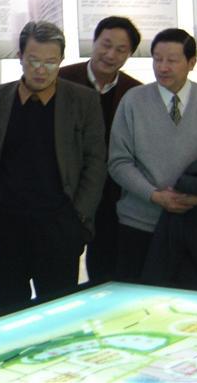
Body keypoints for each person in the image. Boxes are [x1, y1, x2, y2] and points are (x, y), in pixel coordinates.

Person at [0, 21, 106, 311]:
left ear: (61, 60)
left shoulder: (82, 100)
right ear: (20, 57)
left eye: (51, 62)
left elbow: (96, 162)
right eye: (33, 60)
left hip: (59, 224)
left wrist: (77, 219)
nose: (41, 70)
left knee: (57, 311)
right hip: (4, 224)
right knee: (8, 310)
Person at [109, 28, 197, 287]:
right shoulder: (133, 100)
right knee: (139, 301)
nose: (163, 67)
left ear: (192, 63)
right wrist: (155, 195)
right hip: (141, 224)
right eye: (157, 59)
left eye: (172, 60)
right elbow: (118, 162)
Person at [58, 16, 141, 283]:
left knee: (106, 269)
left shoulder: (134, 92)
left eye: (121, 49)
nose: (111, 55)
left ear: (129, 54)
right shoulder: (60, 79)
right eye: (106, 45)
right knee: (60, 272)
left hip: (111, 193)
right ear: (93, 42)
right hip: (66, 191)